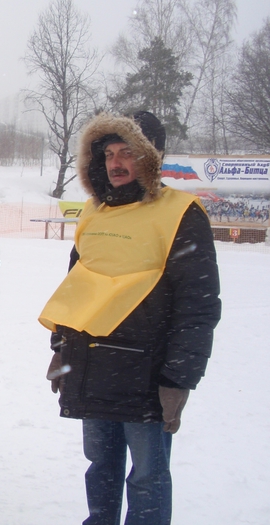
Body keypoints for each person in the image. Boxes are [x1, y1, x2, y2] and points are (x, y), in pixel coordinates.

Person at [39, 111, 221, 525]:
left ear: (152, 158)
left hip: (147, 376)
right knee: (100, 470)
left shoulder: (180, 213)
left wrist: (178, 379)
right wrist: (61, 348)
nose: (116, 163)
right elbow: (77, 288)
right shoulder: (94, 212)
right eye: (108, 154)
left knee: (147, 478)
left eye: (129, 153)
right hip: (92, 366)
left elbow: (199, 305)